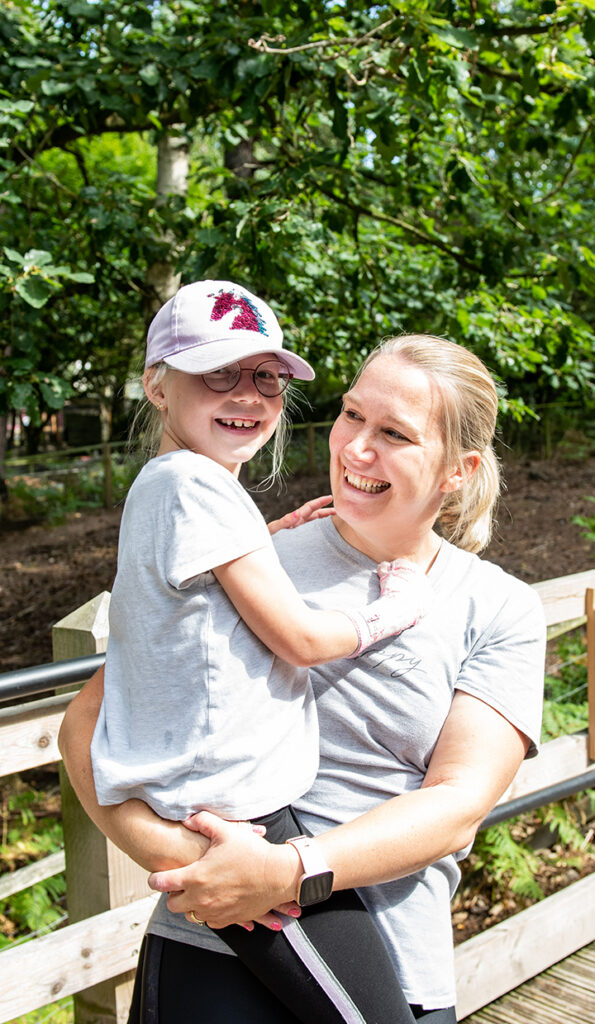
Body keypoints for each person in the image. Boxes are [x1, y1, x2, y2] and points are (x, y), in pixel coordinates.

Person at [59, 332, 546, 1024]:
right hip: (211, 942)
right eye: (350, 415)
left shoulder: (497, 606)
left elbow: (456, 805)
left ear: (458, 469)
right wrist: (178, 858)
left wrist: (285, 872)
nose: (354, 449)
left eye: (394, 434)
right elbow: (86, 722)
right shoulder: (248, 555)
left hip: (390, 958)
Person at [80, 279, 431, 1024]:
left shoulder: (168, 484)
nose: (248, 394)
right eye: (218, 373)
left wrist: (260, 540)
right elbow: (300, 642)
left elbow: (188, 598)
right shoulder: (196, 486)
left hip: (208, 802)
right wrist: (388, 611)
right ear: (155, 385)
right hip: (243, 820)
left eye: (266, 377)